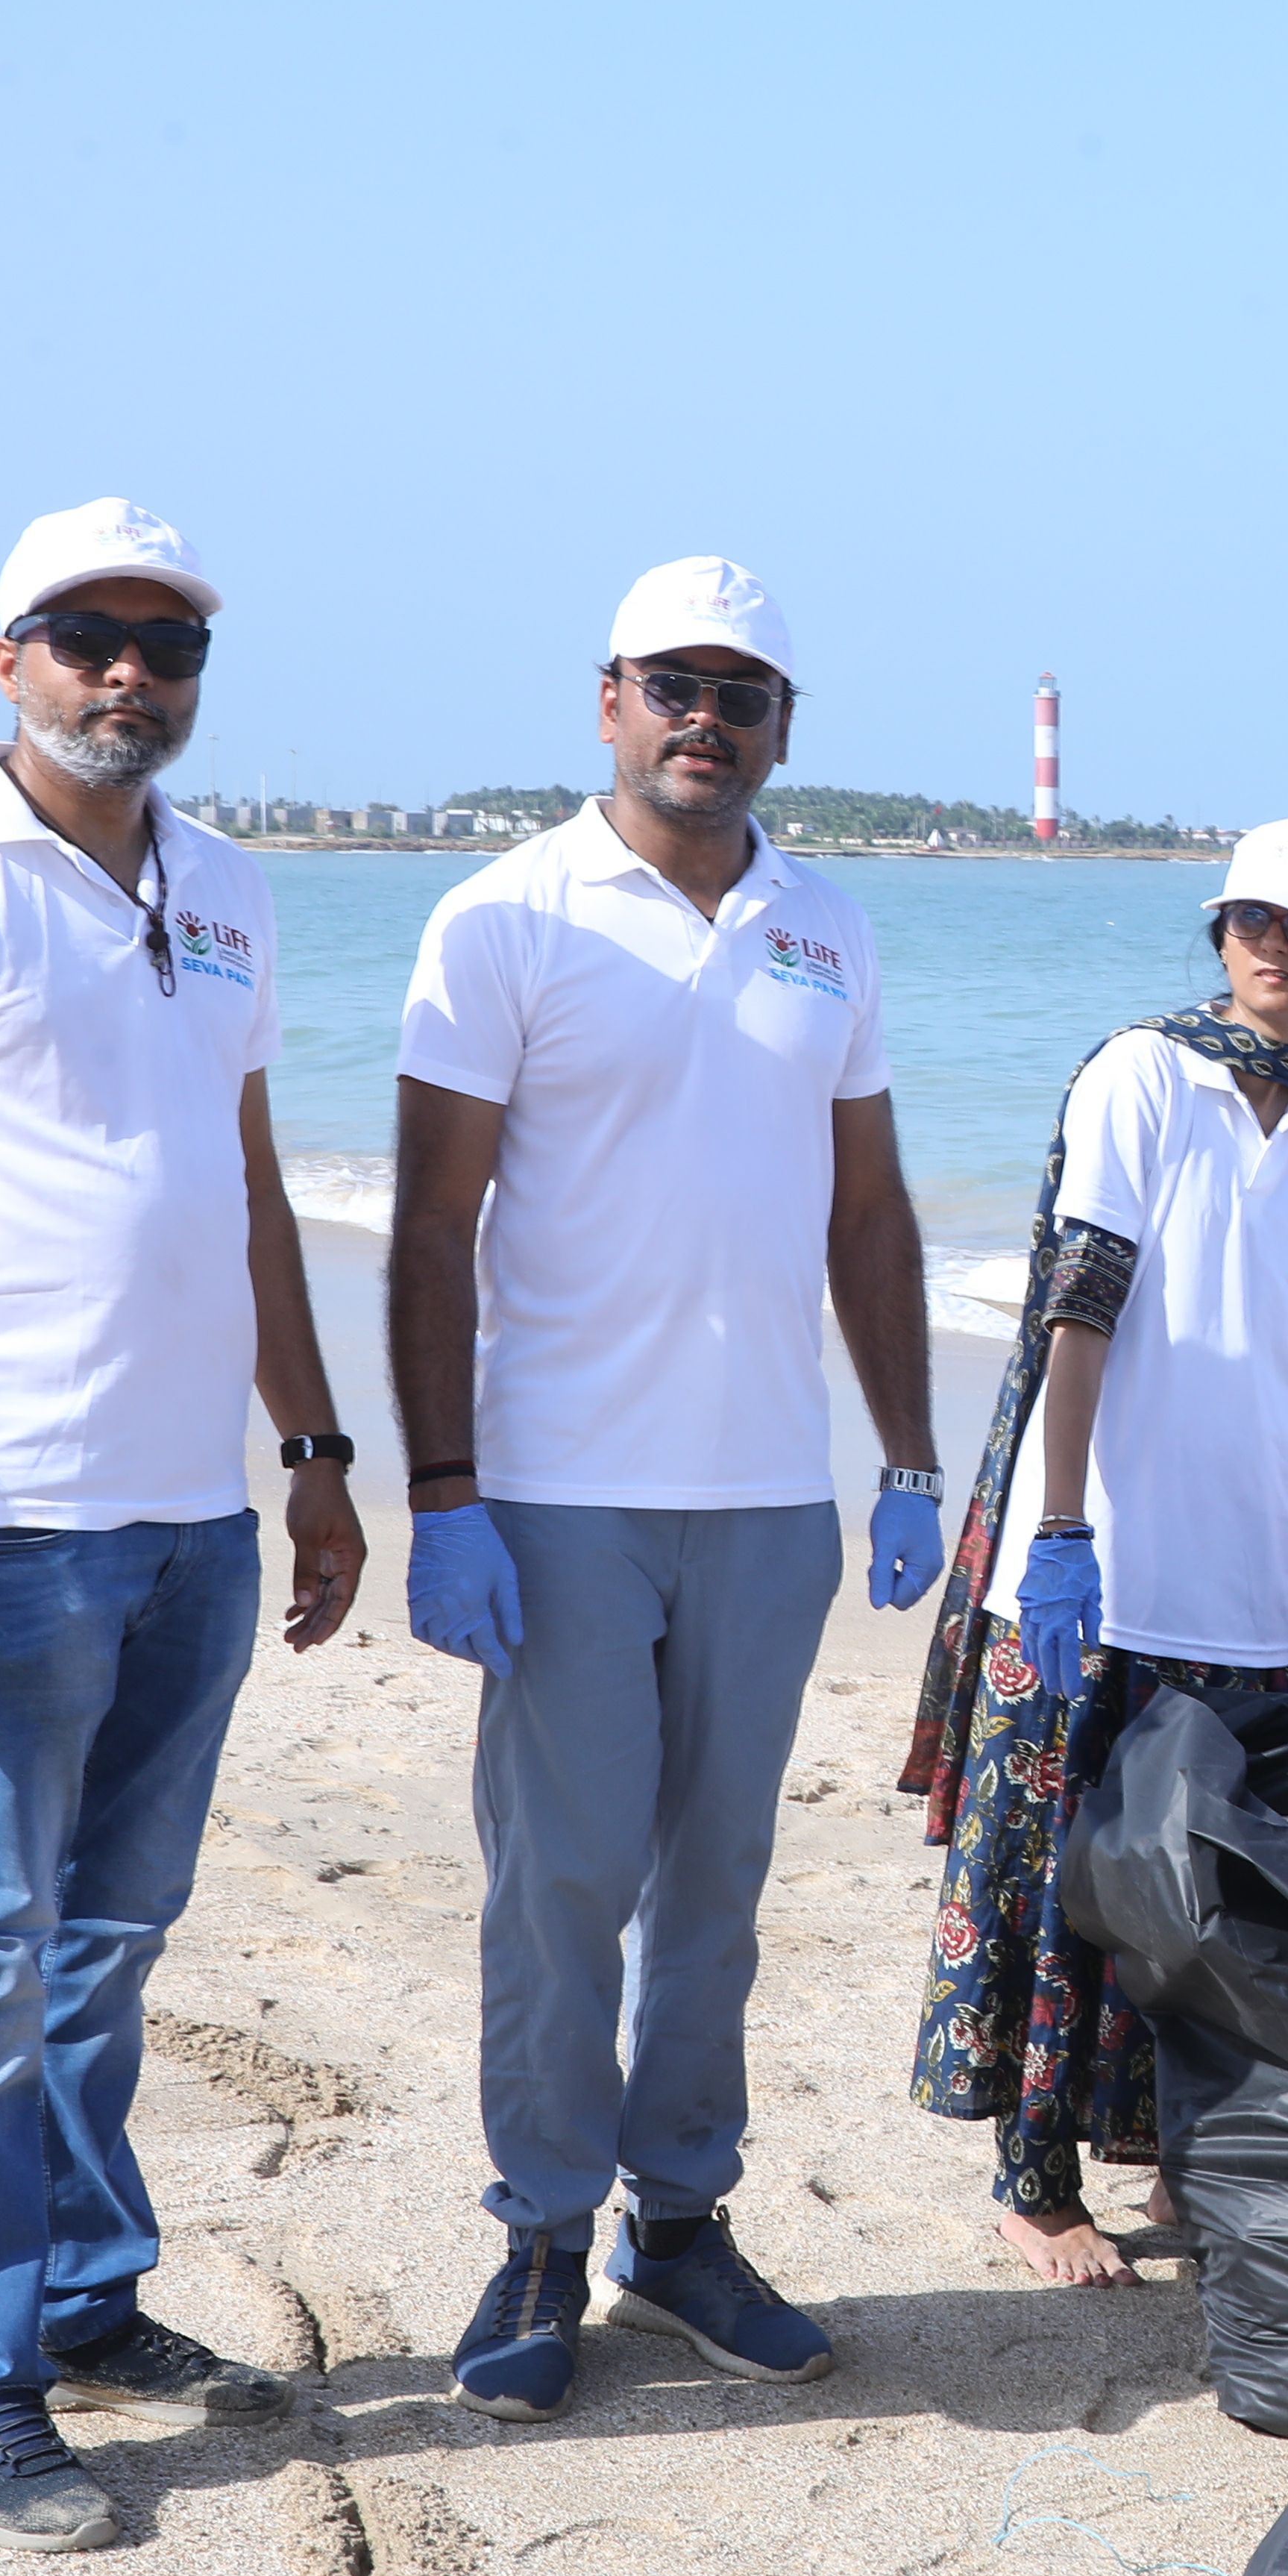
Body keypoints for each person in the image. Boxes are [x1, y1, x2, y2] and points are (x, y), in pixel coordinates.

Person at [0, 497, 361, 2554]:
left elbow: (247, 1183)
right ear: (6, 657)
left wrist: (314, 1451)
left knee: (111, 1940)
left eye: (166, 644)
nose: (129, 674)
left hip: (195, 1515)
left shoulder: (226, 887)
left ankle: (87, 2303)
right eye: (86, 636)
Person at [391, 558, 938, 2422]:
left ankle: (680, 2224)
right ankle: (544, 2233)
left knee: (716, 1884)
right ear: (610, 698)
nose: (708, 718)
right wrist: (444, 1491)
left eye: (743, 692)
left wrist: (909, 1459)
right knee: (562, 1883)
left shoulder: (826, 928)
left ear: (782, 725)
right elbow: (431, 1225)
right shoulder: (505, 915)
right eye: (674, 684)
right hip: (560, 1489)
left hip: (770, 1495)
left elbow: (869, 1213)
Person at [905, 820, 1288, 2287]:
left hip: (1248, 1565)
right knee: (1052, 1866)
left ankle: (1171, 2150)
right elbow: (1080, 1307)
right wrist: (1062, 1527)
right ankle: (1034, 2177)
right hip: (1098, 1559)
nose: (1271, 945)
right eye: (1249, 918)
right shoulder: (1142, 1071)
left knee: (1199, 1889)